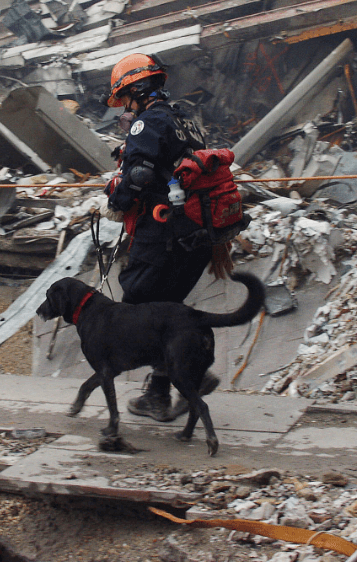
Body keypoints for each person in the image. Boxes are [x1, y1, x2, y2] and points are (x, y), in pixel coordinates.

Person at [102, 53, 221, 422]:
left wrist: (116, 202)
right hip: (197, 235)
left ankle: (193, 373)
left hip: (164, 234)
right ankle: (158, 395)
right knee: (166, 308)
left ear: (137, 89)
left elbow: (138, 175)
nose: (125, 106)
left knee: (137, 304)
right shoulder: (186, 120)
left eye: (124, 98)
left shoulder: (147, 123)